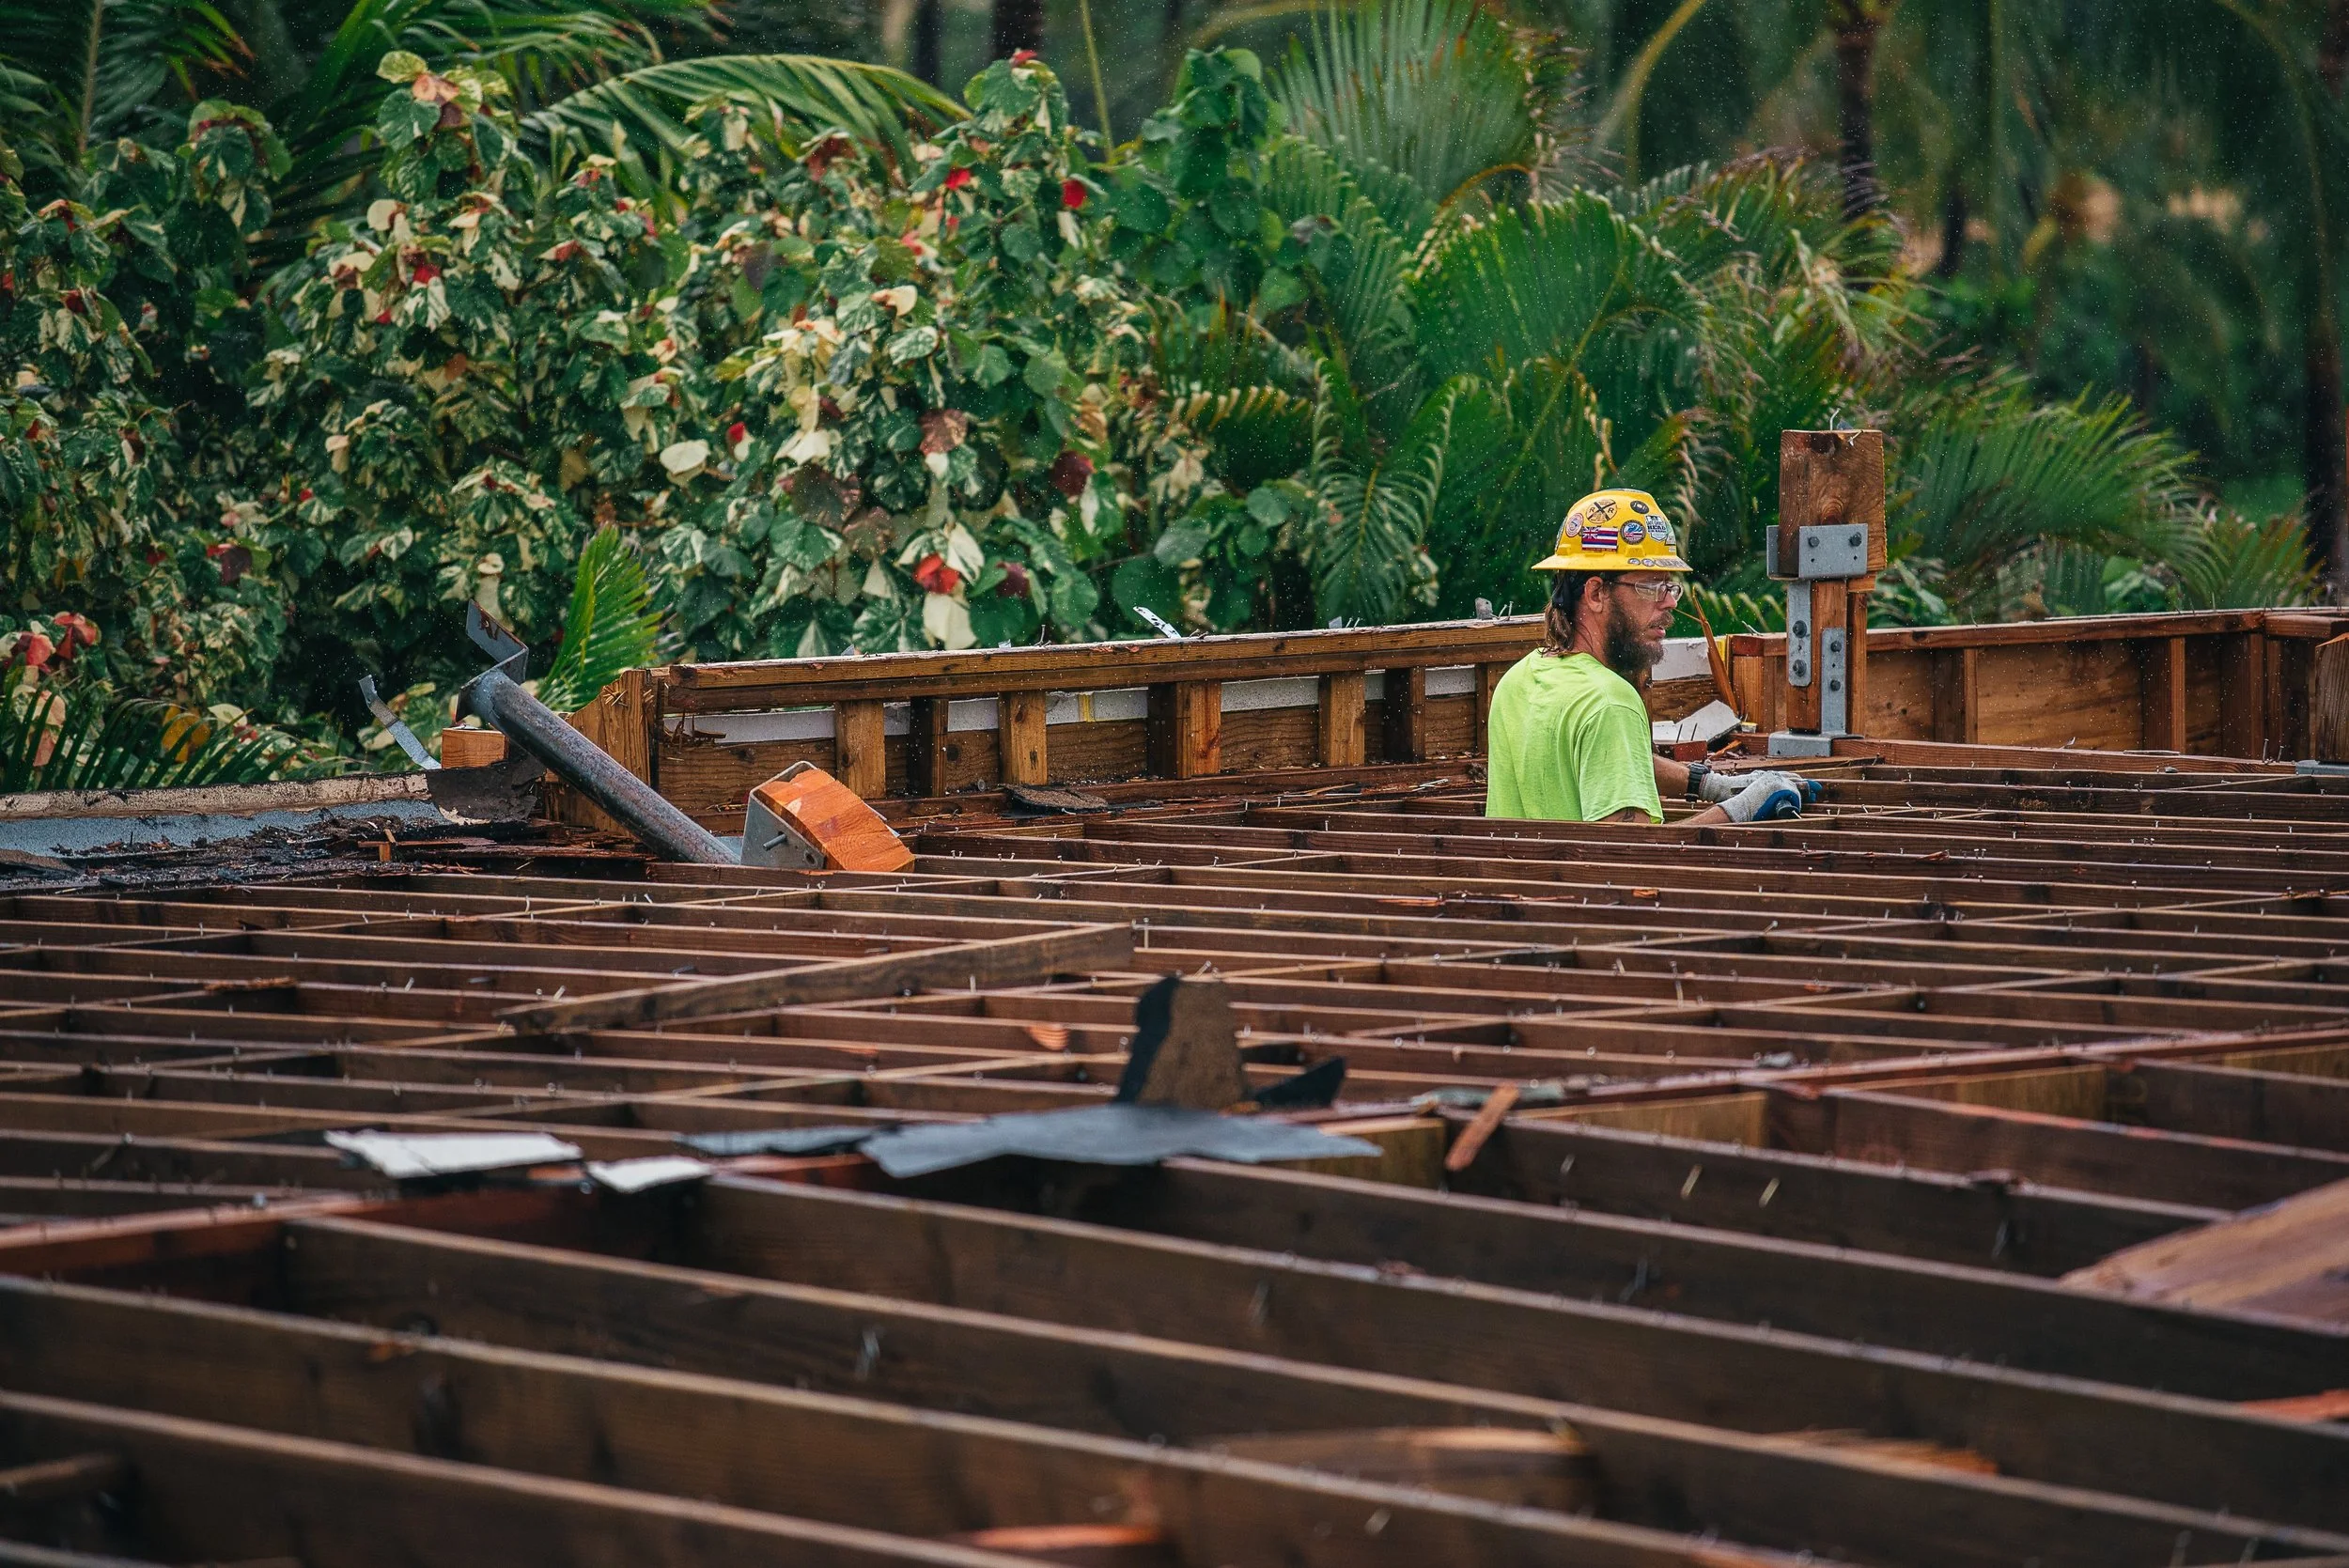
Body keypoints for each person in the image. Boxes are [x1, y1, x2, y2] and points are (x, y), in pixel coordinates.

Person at [1485, 488, 1810, 826]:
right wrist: (1741, 810)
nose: (1669, 601)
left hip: (1525, 876)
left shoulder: (1520, 680)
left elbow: (1611, 761)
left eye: (1669, 587)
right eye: (1652, 586)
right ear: (1596, 593)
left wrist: (1714, 785)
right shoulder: (1610, 704)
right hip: (1595, 880)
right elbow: (1634, 855)